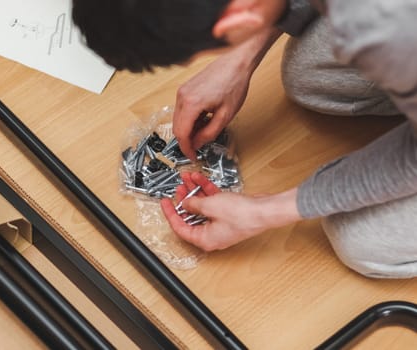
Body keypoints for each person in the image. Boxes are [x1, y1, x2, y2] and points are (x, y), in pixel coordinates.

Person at [72, 0, 417, 278]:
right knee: (310, 75)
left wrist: (268, 210)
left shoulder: (387, 28)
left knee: (359, 238)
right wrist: (240, 60)